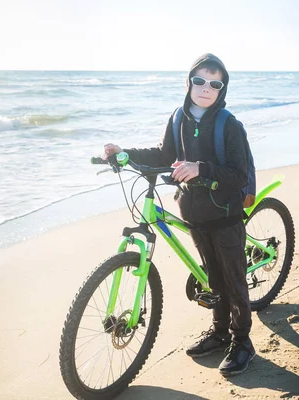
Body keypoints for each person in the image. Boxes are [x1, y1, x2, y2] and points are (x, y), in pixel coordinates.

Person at [102, 53, 255, 376]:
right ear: (188, 82)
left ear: (222, 89)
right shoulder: (177, 119)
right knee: (212, 277)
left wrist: (201, 168)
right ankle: (219, 332)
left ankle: (242, 342)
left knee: (233, 280)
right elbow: (163, 155)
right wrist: (126, 153)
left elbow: (239, 174)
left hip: (225, 214)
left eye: (215, 83)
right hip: (194, 213)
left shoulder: (229, 125)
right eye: (199, 80)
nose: (206, 88)